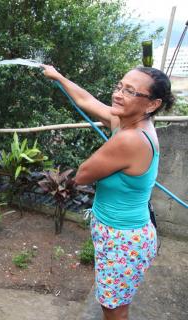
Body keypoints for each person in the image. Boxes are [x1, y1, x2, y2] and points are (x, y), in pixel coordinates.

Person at [42, 65, 174, 320]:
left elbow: (82, 175)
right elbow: (86, 100)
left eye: (131, 91)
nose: (118, 94)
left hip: (124, 240)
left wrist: (110, 147)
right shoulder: (127, 122)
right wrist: (59, 75)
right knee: (113, 301)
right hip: (118, 232)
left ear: (152, 104)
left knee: (114, 308)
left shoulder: (131, 139)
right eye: (119, 86)